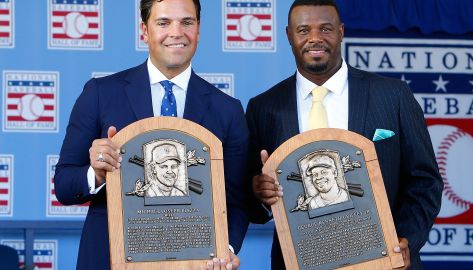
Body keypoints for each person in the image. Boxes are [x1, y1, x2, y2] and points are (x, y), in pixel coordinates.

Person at [246, 0, 443, 269]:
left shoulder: (394, 96)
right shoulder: (263, 108)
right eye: (303, 30)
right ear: (289, 36)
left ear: (341, 31)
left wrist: (405, 238)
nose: (315, 38)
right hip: (298, 261)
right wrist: (259, 194)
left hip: (383, 259)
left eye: (325, 29)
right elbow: (252, 202)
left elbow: (425, 181)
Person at [54, 0, 249, 269]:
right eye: (164, 22)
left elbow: (238, 202)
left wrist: (223, 250)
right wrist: (97, 173)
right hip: (109, 259)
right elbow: (64, 185)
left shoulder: (227, 109)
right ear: (144, 30)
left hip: (195, 263)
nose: (177, 32)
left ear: (199, 30)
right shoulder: (100, 94)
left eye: (187, 22)